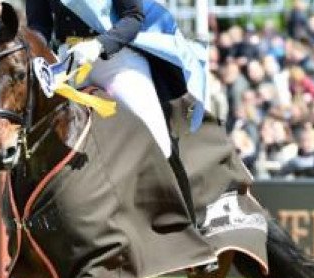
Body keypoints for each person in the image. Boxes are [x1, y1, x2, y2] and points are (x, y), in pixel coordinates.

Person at [25, 0, 207, 161]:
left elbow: (133, 17)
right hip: (67, 63)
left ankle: (174, 188)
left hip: (115, 59)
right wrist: (33, 49)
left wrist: (99, 45)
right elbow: (39, 25)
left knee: (155, 135)